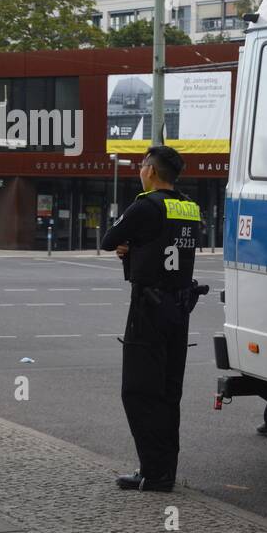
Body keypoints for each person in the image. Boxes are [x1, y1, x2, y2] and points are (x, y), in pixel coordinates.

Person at [100, 145, 207, 491]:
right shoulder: (189, 207)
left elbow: (108, 240)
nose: (139, 170)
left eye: (142, 165)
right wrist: (138, 250)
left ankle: (153, 471)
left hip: (148, 308)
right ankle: (166, 469)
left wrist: (129, 248)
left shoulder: (145, 206)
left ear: (151, 170)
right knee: (167, 392)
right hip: (180, 309)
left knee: (138, 390)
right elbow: (168, 246)